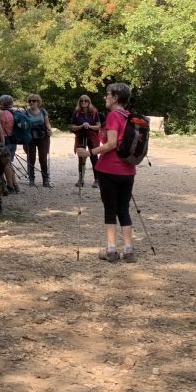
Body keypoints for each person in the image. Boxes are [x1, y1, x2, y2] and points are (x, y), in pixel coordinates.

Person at [77, 82, 139, 263]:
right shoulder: (129, 116)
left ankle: (111, 250)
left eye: (107, 94)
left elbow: (111, 143)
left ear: (116, 97)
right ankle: (128, 251)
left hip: (110, 169)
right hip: (128, 170)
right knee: (124, 209)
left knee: (110, 210)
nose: (105, 97)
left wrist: (89, 152)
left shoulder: (113, 116)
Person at [70, 94, 103, 189]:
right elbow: (72, 126)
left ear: (89, 102)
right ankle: (81, 179)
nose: (84, 102)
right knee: (81, 157)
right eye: (82, 101)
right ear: (79, 102)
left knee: (94, 157)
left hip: (92, 136)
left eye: (86, 101)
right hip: (80, 136)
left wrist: (89, 126)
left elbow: (98, 126)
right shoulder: (77, 112)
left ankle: (97, 179)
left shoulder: (94, 111)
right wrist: (81, 126)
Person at [20, 93, 52, 187]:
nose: (31, 102)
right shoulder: (25, 112)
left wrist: (49, 129)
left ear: (38, 102)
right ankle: (31, 179)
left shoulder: (43, 111)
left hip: (43, 137)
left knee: (43, 158)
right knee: (31, 158)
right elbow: (22, 125)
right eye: (30, 101)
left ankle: (45, 180)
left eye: (34, 100)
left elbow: (47, 123)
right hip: (30, 137)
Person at [0, 95, 20, 193]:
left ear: (3, 103)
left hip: (6, 140)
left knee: (6, 164)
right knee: (9, 163)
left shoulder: (4, 114)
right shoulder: (14, 113)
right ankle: (15, 185)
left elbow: (0, 129)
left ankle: (10, 186)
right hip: (13, 140)